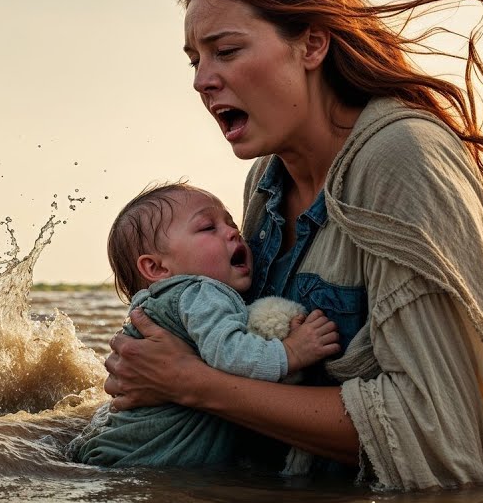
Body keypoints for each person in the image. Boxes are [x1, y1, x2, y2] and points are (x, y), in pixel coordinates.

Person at [102, 0, 483, 489]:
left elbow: (440, 428)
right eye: (195, 60)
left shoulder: (403, 161)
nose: (202, 80)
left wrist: (192, 384)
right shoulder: (266, 181)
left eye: (225, 51)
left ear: (313, 45)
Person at [70, 182, 339, 468]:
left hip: (122, 449)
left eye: (231, 223)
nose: (233, 232)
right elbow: (229, 353)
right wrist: (291, 352)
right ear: (157, 268)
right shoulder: (200, 292)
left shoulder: (163, 303)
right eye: (208, 228)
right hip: (147, 457)